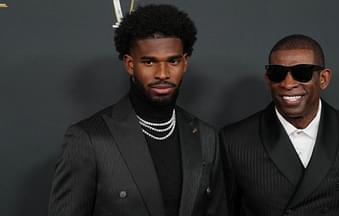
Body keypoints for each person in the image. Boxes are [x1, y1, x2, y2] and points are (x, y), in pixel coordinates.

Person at [48, 4, 227, 216]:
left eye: (173, 61)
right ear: (130, 64)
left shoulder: (206, 137)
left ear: (185, 63)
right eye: (149, 61)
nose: (162, 73)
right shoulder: (87, 139)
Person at [220, 34, 339, 215]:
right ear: (268, 79)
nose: (288, 84)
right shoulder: (234, 141)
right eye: (278, 73)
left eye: (302, 73)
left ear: (323, 78)